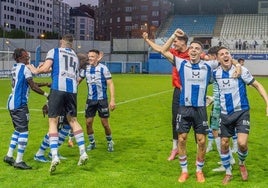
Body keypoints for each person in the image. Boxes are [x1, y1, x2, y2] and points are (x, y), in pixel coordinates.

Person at [160, 29, 241, 183]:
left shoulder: (208, 65)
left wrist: (237, 66)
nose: (194, 50)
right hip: (184, 108)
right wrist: (173, 36)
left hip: (200, 109)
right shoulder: (181, 62)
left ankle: (199, 170)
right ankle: (184, 171)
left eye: (197, 48)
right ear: (188, 51)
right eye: (192, 48)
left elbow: (227, 59)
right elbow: (163, 50)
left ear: (201, 52)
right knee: (182, 138)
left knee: (202, 141)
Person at [26, 34, 88, 174]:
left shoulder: (54, 51)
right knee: (73, 121)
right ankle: (83, 152)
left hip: (57, 89)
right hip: (72, 91)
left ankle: (53, 155)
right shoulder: (74, 56)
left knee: (53, 122)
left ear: (61, 42)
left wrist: (35, 69)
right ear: (72, 44)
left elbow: (46, 68)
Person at [213, 46, 268, 185]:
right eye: (222, 54)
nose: (225, 55)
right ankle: (228, 172)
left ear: (231, 56)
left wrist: (267, 103)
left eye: (227, 53)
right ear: (218, 58)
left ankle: (241, 163)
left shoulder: (241, 70)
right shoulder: (215, 73)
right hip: (225, 114)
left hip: (241, 112)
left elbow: (258, 85)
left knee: (242, 144)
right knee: (224, 144)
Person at [142, 31, 189, 161]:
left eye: (176, 41)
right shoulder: (175, 53)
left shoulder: (193, 52)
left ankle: (197, 150)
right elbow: (161, 49)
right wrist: (147, 40)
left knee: (193, 121)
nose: (174, 44)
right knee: (175, 120)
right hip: (178, 91)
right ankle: (175, 149)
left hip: (191, 92)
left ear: (183, 42)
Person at [3, 48, 49, 169]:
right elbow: (32, 86)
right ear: (19, 58)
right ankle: (19, 161)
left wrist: (45, 83)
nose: (28, 58)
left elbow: (28, 84)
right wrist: (47, 95)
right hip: (19, 103)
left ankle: (9, 155)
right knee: (24, 131)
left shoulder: (15, 67)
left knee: (18, 130)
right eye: (25, 56)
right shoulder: (25, 68)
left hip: (12, 102)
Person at [78, 49, 116, 152]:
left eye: (92, 56)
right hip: (90, 100)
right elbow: (78, 81)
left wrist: (112, 100)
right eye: (89, 56)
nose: (90, 58)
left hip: (102, 100)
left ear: (97, 57)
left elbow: (110, 84)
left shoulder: (103, 68)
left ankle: (110, 142)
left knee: (105, 124)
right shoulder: (85, 69)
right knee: (88, 123)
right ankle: (92, 143)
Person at [205, 46, 235, 172]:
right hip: (219, 103)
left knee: (217, 132)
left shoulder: (217, 70)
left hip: (219, 106)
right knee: (218, 132)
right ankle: (230, 158)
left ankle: (226, 162)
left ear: (214, 57)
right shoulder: (221, 70)